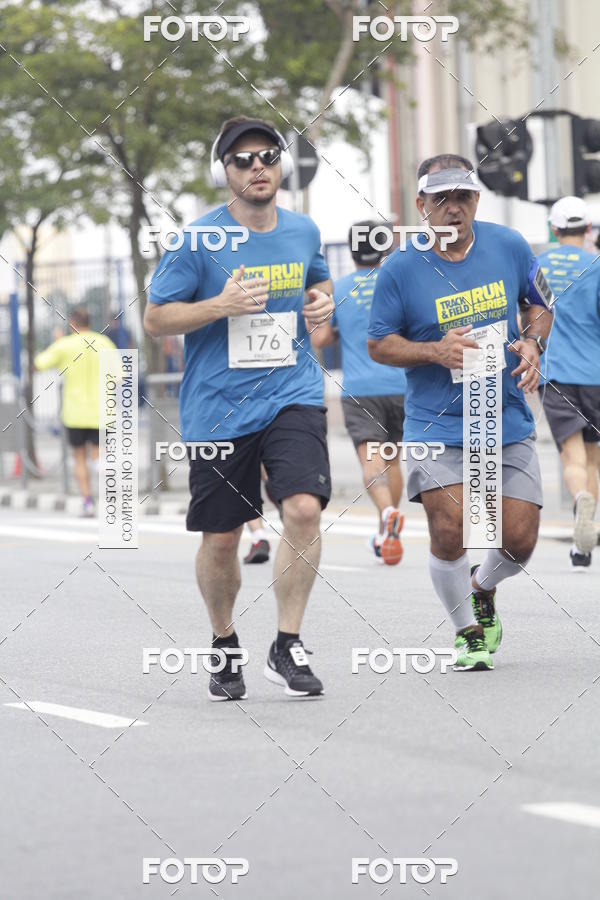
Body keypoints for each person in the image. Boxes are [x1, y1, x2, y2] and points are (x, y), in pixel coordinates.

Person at [144, 116, 335, 701]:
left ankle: (287, 642)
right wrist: (219, 305)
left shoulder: (303, 231)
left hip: (292, 393)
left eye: (267, 156)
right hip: (219, 407)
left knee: (303, 507)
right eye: (242, 159)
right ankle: (224, 643)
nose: (257, 167)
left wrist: (322, 307)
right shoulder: (196, 241)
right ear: (223, 170)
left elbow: (319, 290)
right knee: (223, 537)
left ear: (282, 164)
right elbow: (156, 319)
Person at [368, 155, 553, 671]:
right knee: (450, 528)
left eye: (463, 197)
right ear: (422, 205)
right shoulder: (400, 268)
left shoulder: (510, 245)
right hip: (437, 423)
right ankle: (467, 632)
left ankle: (482, 586)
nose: (454, 208)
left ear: (477, 199)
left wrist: (533, 342)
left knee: (518, 540)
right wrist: (435, 351)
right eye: (442, 199)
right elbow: (379, 344)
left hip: (504, 417)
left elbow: (539, 304)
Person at [310, 220, 406, 564]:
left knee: (371, 459)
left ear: (352, 251)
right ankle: (387, 532)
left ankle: (387, 514)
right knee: (392, 459)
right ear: (384, 249)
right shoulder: (398, 285)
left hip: (361, 390)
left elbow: (321, 338)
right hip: (401, 385)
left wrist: (335, 329)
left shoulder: (339, 290)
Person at [537, 196, 600, 567]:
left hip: (558, 373)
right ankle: (583, 546)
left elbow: (524, 319)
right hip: (595, 375)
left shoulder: (539, 266)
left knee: (571, 456)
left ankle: (579, 500)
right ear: (588, 229)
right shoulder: (597, 265)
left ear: (554, 229)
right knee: (593, 459)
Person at [34, 306, 116, 516]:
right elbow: (119, 375)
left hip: (75, 412)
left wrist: (56, 342)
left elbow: (38, 364)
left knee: (79, 458)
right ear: (90, 322)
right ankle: (106, 482)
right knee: (99, 454)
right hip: (102, 410)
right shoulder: (104, 343)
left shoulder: (65, 345)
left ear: (72, 324)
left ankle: (88, 502)